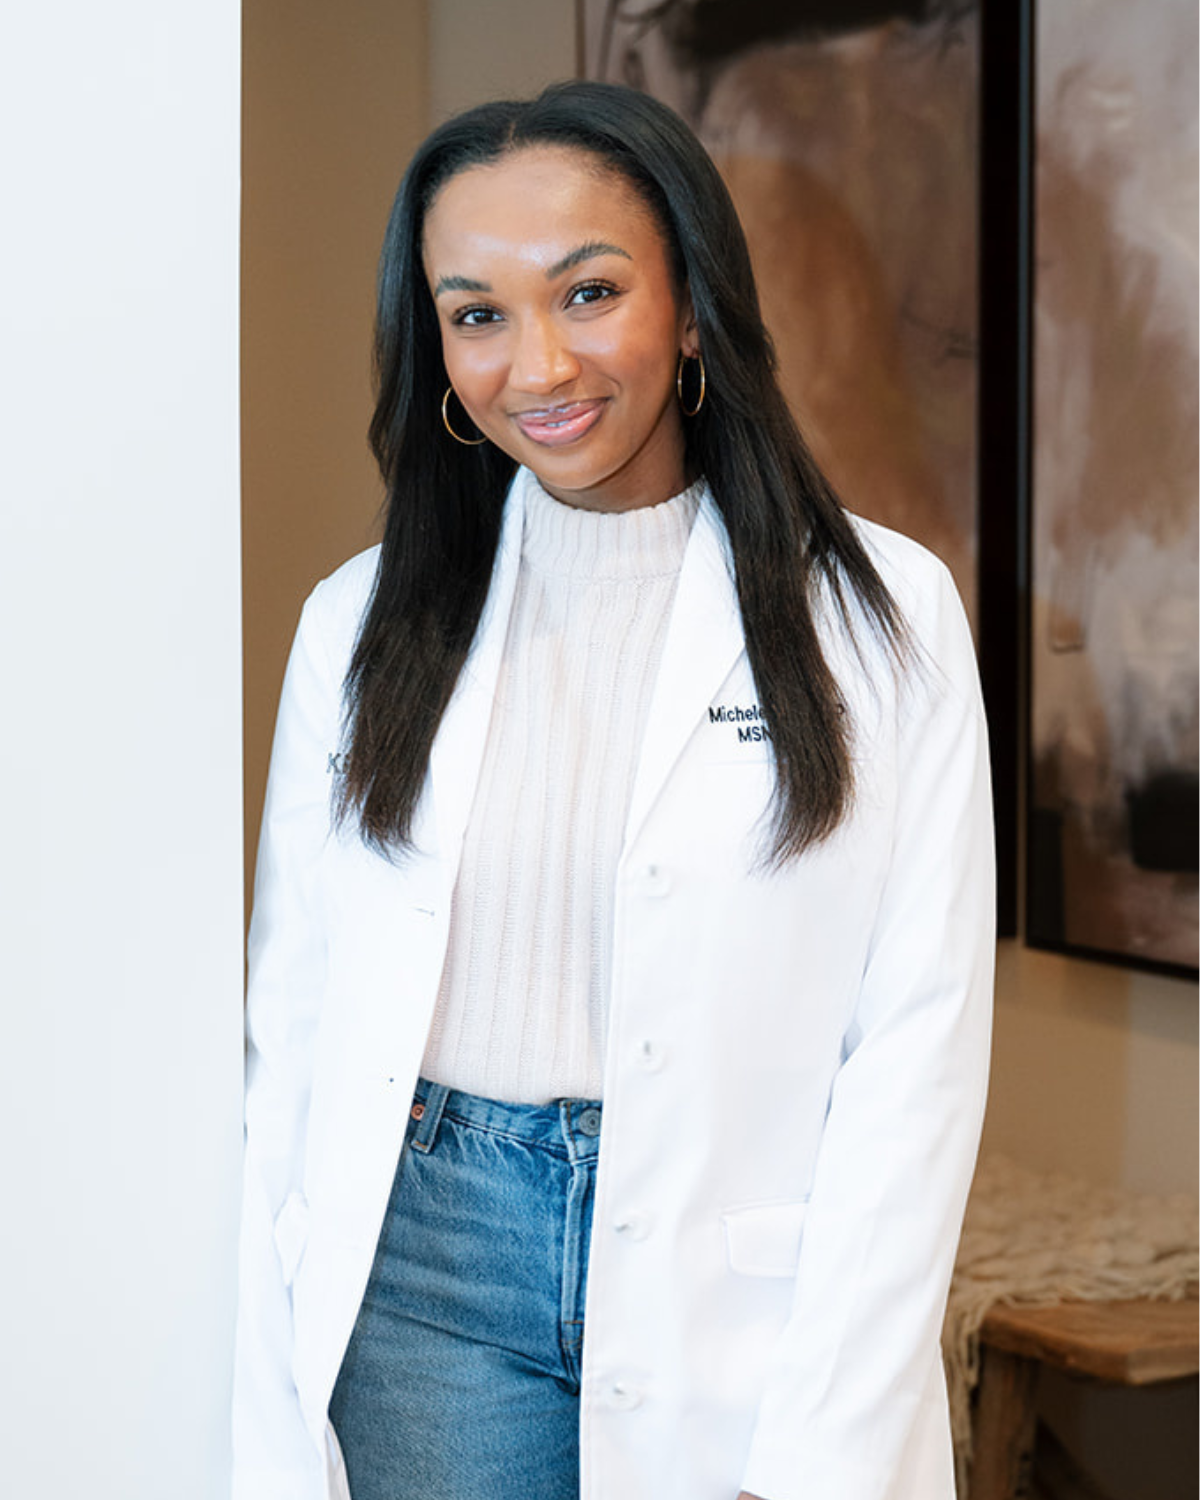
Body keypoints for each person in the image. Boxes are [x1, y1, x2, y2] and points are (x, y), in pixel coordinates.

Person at [233, 80, 994, 1500]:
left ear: (693, 307)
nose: (538, 365)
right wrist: (262, 1403)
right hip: (431, 1279)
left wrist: (826, 1445)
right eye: (477, 313)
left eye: (589, 292)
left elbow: (917, 1053)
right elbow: (295, 1025)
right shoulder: (358, 624)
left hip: (740, 1288)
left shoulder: (885, 618)